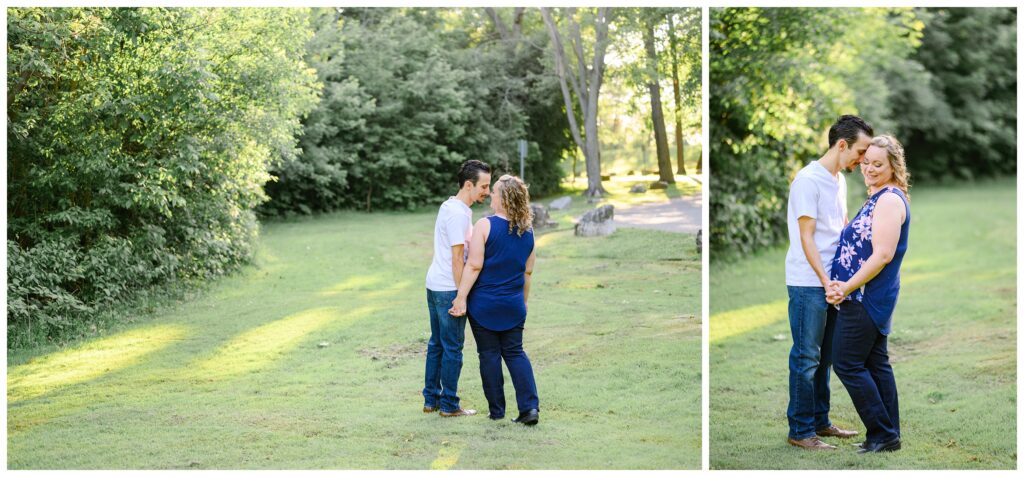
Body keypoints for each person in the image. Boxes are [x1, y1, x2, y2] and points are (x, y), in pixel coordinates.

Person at [784, 115, 872, 450]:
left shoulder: (838, 180)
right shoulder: (808, 180)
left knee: (825, 358)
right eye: (860, 151)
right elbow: (806, 237)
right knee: (806, 357)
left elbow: (841, 226)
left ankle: (820, 422)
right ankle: (800, 430)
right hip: (809, 282)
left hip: (835, 282)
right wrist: (825, 280)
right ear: (841, 145)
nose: (862, 159)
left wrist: (845, 277)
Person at [826, 135, 911, 454]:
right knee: (876, 364)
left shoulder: (889, 199)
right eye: (867, 163)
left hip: (865, 298)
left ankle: (882, 432)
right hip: (866, 297)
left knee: (846, 362)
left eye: (879, 164)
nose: (870, 169)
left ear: (893, 167)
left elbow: (883, 254)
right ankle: (890, 434)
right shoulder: (879, 197)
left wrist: (846, 287)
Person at [448, 175, 540, 425]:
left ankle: (497, 411)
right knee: (515, 353)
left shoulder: (484, 226)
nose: (491, 195)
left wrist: (461, 297)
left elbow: (474, 265)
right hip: (513, 305)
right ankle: (530, 409)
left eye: (496, 192)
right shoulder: (529, 232)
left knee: (488, 355)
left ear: (505, 199)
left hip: (483, 305)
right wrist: (524, 302)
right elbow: (527, 273)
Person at [422, 159, 491, 418]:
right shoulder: (458, 213)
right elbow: (457, 257)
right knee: (452, 347)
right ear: (469, 184)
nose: (487, 191)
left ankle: (431, 400)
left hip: (435, 284)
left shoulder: (451, 206)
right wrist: (461, 296)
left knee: (437, 344)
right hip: (447, 288)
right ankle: (449, 405)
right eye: (484, 186)